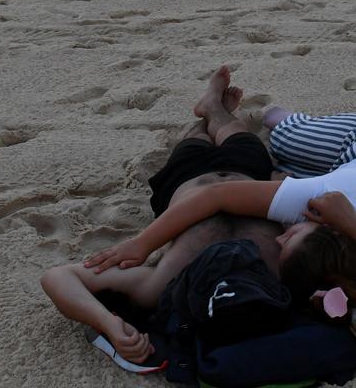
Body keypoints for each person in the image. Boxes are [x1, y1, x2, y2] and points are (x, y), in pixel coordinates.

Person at [86, 66, 356, 311]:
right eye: (292, 235)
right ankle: (285, 120)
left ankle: (223, 115)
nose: (281, 236)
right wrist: (142, 244)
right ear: (327, 226)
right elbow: (215, 195)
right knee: (281, 136)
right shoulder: (317, 200)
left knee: (279, 169)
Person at [44, 77, 284, 363]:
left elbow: (57, 277)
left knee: (194, 142)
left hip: (186, 179)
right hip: (251, 176)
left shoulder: (163, 285)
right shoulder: (285, 275)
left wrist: (107, 323)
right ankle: (216, 110)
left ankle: (208, 111)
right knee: (236, 134)